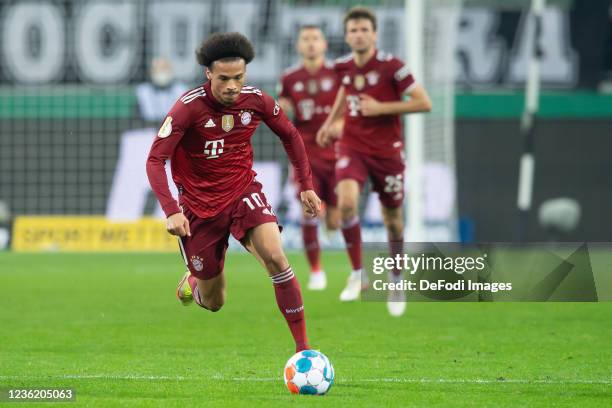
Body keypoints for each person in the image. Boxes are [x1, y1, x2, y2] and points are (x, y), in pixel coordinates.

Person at [146, 32, 322, 352]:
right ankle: (195, 280)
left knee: (277, 258)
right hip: (198, 209)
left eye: (238, 78)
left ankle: (303, 350)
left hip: (243, 192)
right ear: (208, 74)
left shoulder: (256, 101)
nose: (231, 86)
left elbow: (292, 136)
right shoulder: (188, 108)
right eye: (224, 78)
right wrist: (171, 209)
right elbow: (155, 159)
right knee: (215, 302)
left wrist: (306, 186)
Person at [316, 6, 432, 316]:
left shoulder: (393, 67)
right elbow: (345, 91)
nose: (358, 35)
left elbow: (424, 102)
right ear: (347, 35)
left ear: (374, 34)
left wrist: (381, 108)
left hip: (388, 152)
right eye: (353, 30)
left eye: (364, 30)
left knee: (393, 221)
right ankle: (358, 274)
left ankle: (396, 278)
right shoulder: (343, 67)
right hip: (352, 146)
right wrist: (330, 122)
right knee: (347, 203)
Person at [278, 25, 342, 291]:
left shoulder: (338, 74)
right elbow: (282, 107)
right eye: (306, 39)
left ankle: (330, 218)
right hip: (306, 153)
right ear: (299, 46)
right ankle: (316, 271)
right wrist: (283, 108)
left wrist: (342, 124)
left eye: (316, 38)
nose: (311, 43)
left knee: (336, 218)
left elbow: (350, 107)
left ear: (324, 45)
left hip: (337, 151)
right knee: (308, 211)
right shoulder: (290, 78)